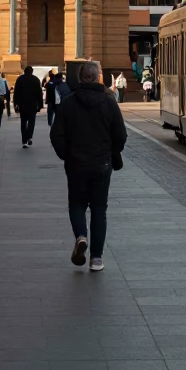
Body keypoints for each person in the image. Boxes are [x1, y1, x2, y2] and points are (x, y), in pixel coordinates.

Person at [50, 60, 127, 273]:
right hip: (102, 164)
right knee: (99, 210)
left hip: (76, 164)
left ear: (80, 78)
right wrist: (111, 153)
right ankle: (96, 259)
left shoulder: (68, 102)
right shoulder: (109, 102)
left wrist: (67, 155)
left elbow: (56, 134)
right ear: (99, 77)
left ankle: (81, 236)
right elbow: (121, 135)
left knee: (76, 205)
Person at [13, 65, 44, 147]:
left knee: (23, 123)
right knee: (31, 122)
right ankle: (29, 136)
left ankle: (24, 140)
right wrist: (40, 105)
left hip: (22, 104)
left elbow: (16, 93)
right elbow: (39, 93)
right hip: (33, 105)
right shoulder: (36, 80)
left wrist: (15, 104)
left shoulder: (20, 79)